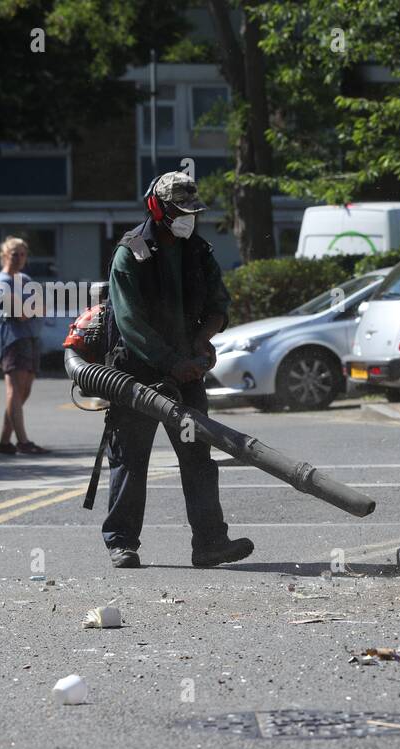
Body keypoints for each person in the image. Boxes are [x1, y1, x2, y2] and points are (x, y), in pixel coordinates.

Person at [102, 171, 253, 570]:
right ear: (157, 207)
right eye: (179, 211)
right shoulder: (130, 253)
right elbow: (130, 322)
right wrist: (172, 363)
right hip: (137, 375)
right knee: (131, 460)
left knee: (198, 458)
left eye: (192, 211)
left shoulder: (198, 251)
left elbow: (219, 302)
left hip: (186, 375)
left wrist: (203, 340)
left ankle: (210, 543)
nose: (188, 218)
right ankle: (122, 542)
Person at [0, 237, 49, 455]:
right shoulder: (1, 283)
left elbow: (41, 307)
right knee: (14, 391)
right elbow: (21, 314)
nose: (19, 258)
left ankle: (4, 442)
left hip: (31, 339)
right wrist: (30, 307)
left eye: (23, 254)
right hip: (13, 340)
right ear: (5, 255)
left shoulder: (24, 279)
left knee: (24, 392)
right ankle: (22, 442)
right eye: (15, 253)